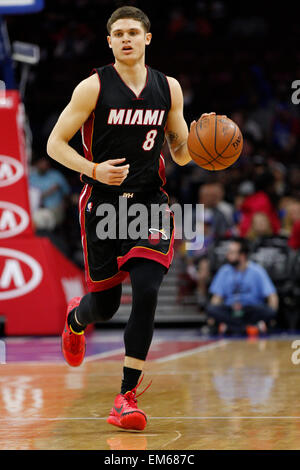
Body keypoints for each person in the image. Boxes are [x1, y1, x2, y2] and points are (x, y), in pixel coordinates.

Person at [47, 6, 210, 431]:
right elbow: (54, 144)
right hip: (102, 202)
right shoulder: (92, 87)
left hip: (149, 204)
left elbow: (179, 151)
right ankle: (75, 320)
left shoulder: (168, 88)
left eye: (133, 32)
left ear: (147, 38)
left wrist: (205, 146)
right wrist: (93, 168)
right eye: (118, 33)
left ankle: (126, 397)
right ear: (109, 42)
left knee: (148, 290)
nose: (125, 39)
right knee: (104, 305)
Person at [206, 238, 278, 335]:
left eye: (232, 253)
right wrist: (212, 319)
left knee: (269, 311)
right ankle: (250, 326)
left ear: (242, 256)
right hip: (231, 310)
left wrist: (271, 318)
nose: (228, 255)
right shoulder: (224, 271)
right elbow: (217, 297)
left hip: (251, 310)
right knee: (211, 309)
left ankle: (230, 327)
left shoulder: (257, 271)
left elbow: (272, 296)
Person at [29, 156, 71, 230]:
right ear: (36, 164)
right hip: (35, 208)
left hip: (53, 207)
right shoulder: (31, 177)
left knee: (45, 220)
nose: (43, 166)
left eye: (45, 164)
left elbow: (67, 193)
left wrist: (65, 204)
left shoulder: (56, 175)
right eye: (41, 163)